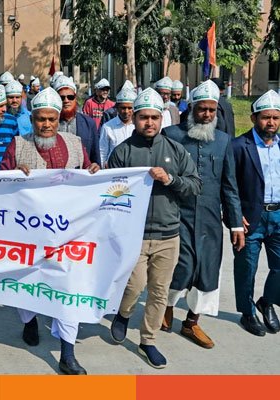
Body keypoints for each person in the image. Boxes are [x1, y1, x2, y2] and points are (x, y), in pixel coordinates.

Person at [0, 87, 99, 375]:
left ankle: (67, 354)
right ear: (32, 119)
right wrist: (13, 176)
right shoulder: (18, 145)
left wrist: (94, 170)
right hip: (28, 234)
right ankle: (30, 322)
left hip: (68, 234)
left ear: (59, 119)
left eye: (51, 119)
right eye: (40, 119)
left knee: (69, 288)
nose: (46, 125)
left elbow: (89, 172)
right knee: (27, 281)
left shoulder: (75, 143)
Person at [108, 88, 201, 369]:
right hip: (134, 236)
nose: (149, 122)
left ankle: (148, 340)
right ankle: (123, 314)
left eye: (154, 117)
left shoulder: (175, 150)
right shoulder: (122, 152)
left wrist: (171, 179)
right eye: (143, 117)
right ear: (134, 118)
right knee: (134, 286)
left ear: (161, 119)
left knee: (159, 291)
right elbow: (110, 193)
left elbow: (195, 185)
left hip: (168, 235)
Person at [162, 80, 244, 348]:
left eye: (212, 110)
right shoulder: (171, 135)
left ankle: (191, 322)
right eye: (202, 109)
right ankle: (165, 308)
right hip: (177, 214)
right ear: (191, 108)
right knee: (180, 266)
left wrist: (236, 224)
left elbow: (230, 186)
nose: (207, 115)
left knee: (207, 270)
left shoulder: (223, 141)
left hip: (209, 217)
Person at [231, 90, 280, 336]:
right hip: (250, 218)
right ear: (253, 118)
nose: (271, 122)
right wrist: (234, 215)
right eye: (265, 117)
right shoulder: (239, 146)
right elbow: (228, 185)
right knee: (246, 268)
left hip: (278, 215)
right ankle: (247, 312)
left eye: (275, 117)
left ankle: (267, 301)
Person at [52, 75, 101, 165]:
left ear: (75, 98)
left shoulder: (89, 123)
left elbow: (95, 157)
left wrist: (95, 166)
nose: (66, 100)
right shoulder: (49, 123)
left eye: (70, 97)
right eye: (61, 97)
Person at [99, 85, 137, 166]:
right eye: (123, 108)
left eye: (129, 108)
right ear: (117, 108)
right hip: (114, 168)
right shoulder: (107, 127)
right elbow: (102, 151)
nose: (126, 111)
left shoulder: (137, 126)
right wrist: (103, 166)